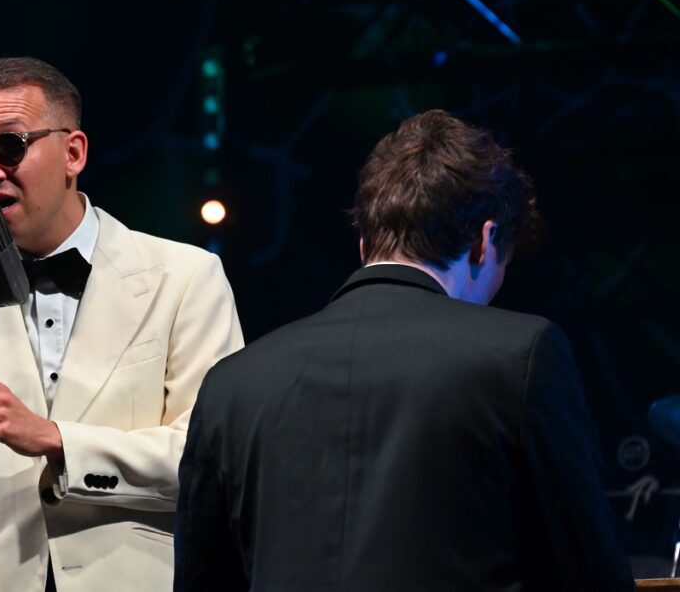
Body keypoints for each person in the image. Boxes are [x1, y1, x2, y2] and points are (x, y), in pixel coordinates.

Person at [174, 110, 633, 591]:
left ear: (364, 242)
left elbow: (202, 582)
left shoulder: (232, 382)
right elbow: (590, 572)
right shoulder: (523, 356)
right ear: (485, 240)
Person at [0, 57, 243, 591]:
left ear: (74, 153)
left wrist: (55, 440)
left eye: (9, 146)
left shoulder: (185, 278)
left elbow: (214, 460)